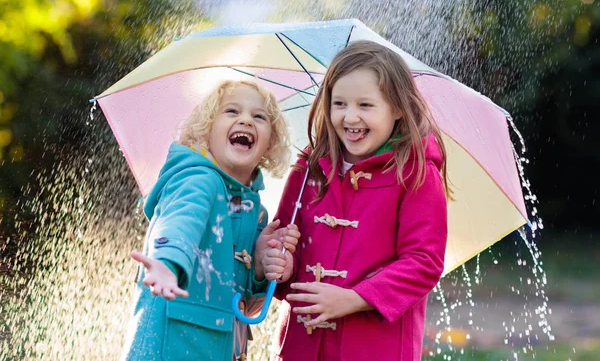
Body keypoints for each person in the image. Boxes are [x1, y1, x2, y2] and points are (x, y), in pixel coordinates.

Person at [262, 41, 450, 361]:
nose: (350, 117)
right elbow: (284, 244)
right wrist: (279, 264)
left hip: (375, 348)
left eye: (365, 105)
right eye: (339, 103)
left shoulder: (416, 175)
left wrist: (354, 298)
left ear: (398, 109)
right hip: (302, 346)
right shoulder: (309, 169)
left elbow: (423, 262)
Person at [121, 80, 299, 361]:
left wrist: (261, 267)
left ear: (270, 144)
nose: (245, 120)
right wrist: (168, 262)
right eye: (231, 111)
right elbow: (180, 222)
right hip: (173, 349)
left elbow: (245, 307)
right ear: (205, 132)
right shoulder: (198, 180)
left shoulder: (257, 213)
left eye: (259, 117)